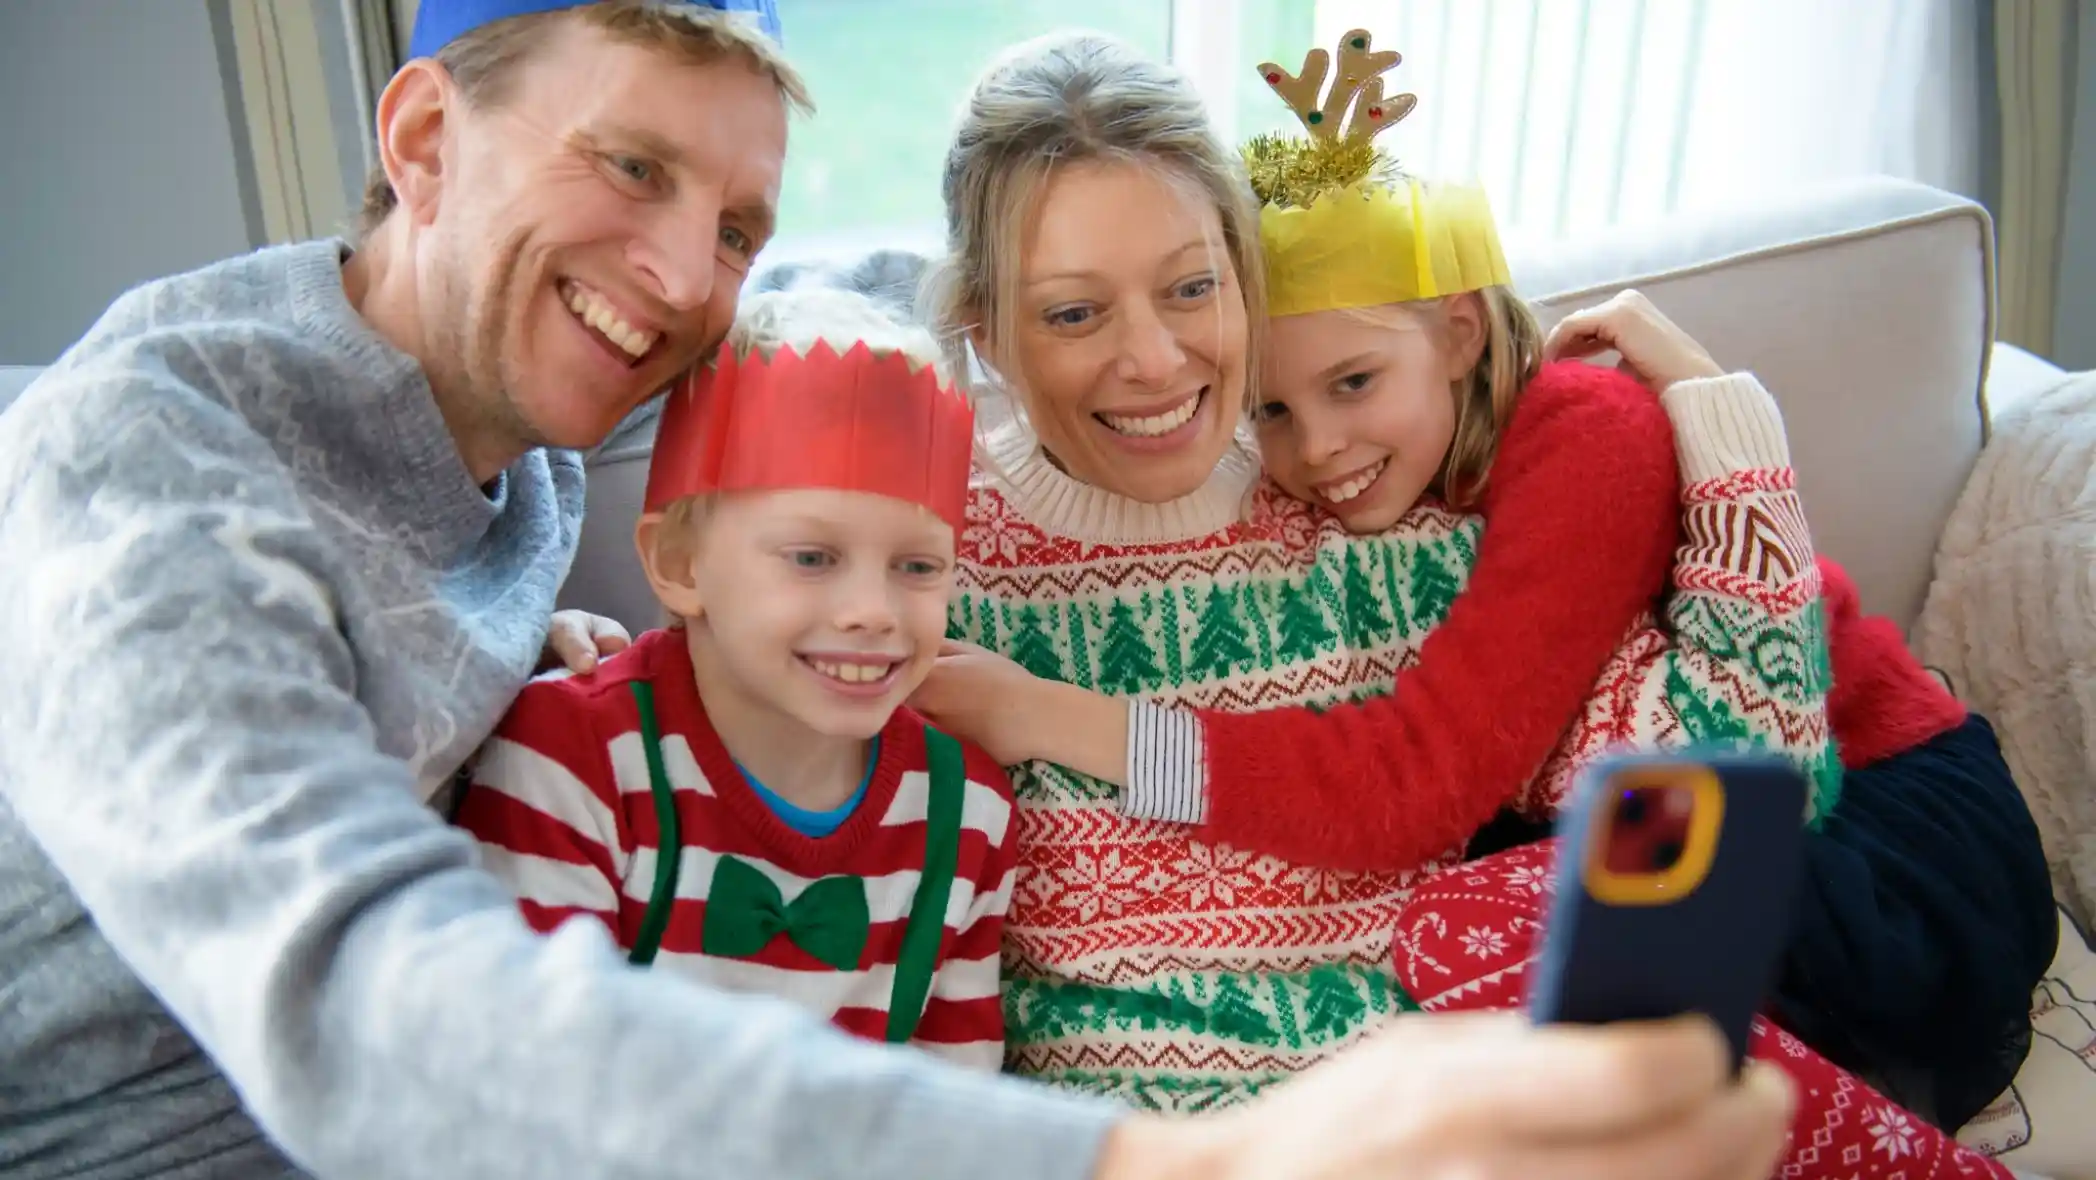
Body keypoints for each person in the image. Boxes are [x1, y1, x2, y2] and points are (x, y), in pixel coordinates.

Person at [0, 2, 1805, 1178]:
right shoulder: (143, 464)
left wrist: (1617, 393)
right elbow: (372, 1005)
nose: (677, 277)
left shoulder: (538, 428)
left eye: (733, 227)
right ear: (418, 138)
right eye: (629, 168)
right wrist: (1176, 1164)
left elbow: (998, 306)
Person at [905, 24, 2024, 1176]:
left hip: (1465, 1117)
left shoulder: (1400, 515)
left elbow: (1698, 782)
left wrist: (1720, 411)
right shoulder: (917, 553)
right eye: (1073, 313)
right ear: (987, 331)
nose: (1152, 360)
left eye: (1191, 287)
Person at [455, 287, 1015, 1068]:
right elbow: (522, 1085)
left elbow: (963, 1124)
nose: (872, 611)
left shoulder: (967, 813)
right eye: (812, 558)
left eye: (917, 566)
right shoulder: (573, 760)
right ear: (680, 566)